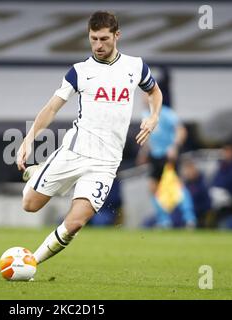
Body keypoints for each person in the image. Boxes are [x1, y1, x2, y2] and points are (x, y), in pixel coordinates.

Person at [16, 11, 162, 270]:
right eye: (93, 39)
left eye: (104, 38)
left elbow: (154, 91)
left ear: (117, 35)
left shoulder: (135, 66)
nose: (98, 45)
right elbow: (51, 108)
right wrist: (29, 139)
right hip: (75, 152)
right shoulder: (80, 72)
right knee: (30, 205)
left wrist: (153, 117)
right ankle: (39, 171)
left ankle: (31, 263)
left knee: (74, 223)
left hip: (106, 163)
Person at [137, 94, 196, 228]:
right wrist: (144, 152)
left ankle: (189, 218)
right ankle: (164, 220)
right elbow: (149, 136)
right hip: (155, 157)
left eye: (145, 96)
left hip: (168, 156)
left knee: (176, 187)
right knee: (153, 188)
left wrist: (174, 146)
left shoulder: (167, 113)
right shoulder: (146, 114)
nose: (143, 100)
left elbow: (181, 130)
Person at [209, 142, 232, 223]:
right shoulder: (222, 165)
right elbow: (215, 181)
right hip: (217, 193)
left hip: (230, 196)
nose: (226, 153)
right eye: (225, 150)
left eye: (228, 151)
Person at [181, 158, 212, 228]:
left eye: (190, 169)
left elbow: (207, 205)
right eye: (187, 170)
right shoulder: (185, 185)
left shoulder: (202, 185)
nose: (188, 172)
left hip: (198, 216)